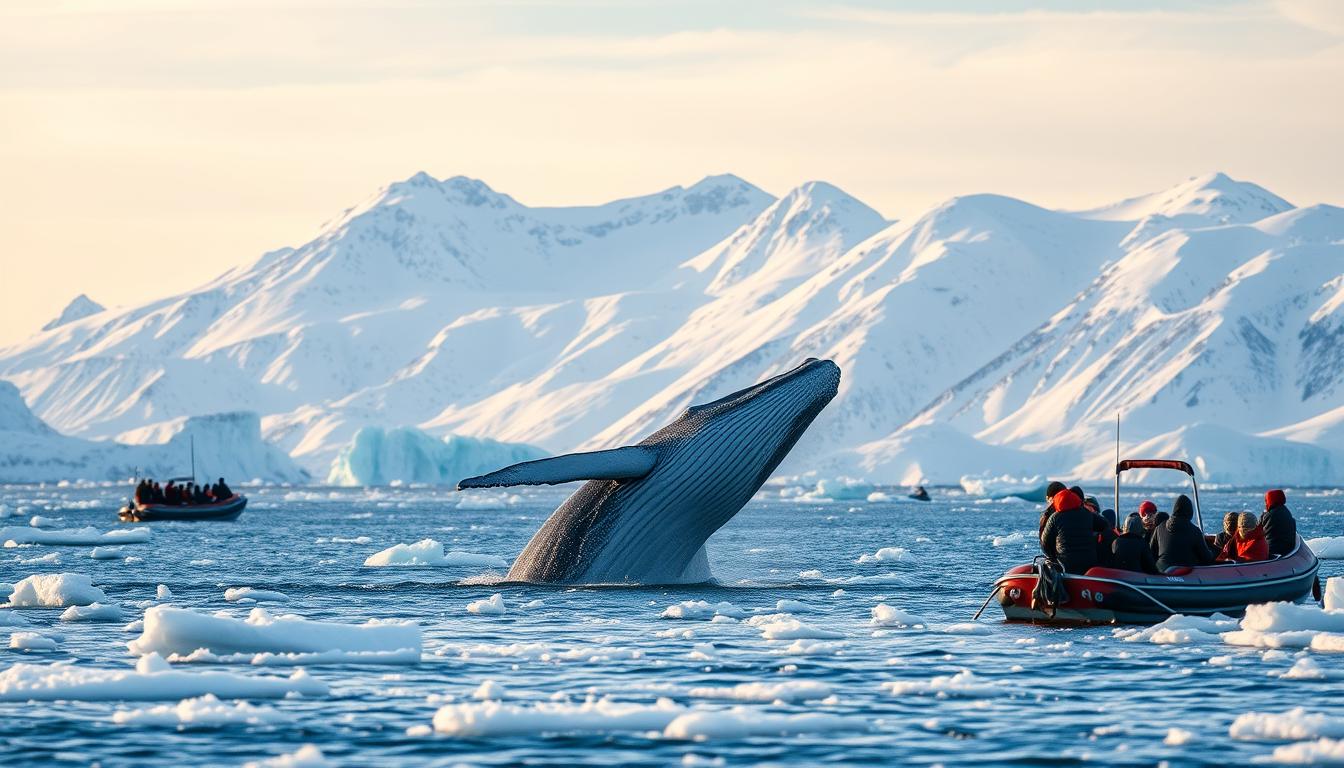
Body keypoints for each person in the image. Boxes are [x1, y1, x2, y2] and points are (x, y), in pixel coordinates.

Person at [1040, 488, 1107, 574]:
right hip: (1089, 564)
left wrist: (1053, 557)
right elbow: (1105, 525)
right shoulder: (1086, 514)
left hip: (1064, 565)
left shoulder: (1055, 517)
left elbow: (1044, 544)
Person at [1150, 494, 1214, 572]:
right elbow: (1206, 558)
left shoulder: (1160, 527)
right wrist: (1213, 551)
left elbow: (1151, 553)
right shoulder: (1194, 531)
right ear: (1190, 511)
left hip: (1161, 571)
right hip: (1184, 574)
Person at [1260, 489, 1297, 557]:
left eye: (1266, 500)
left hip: (1274, 549)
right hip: (1288, 549)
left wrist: (1263, 516)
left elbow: (1259, 531)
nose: (1265, 503)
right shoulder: (1286, 511)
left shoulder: (1270, 515)